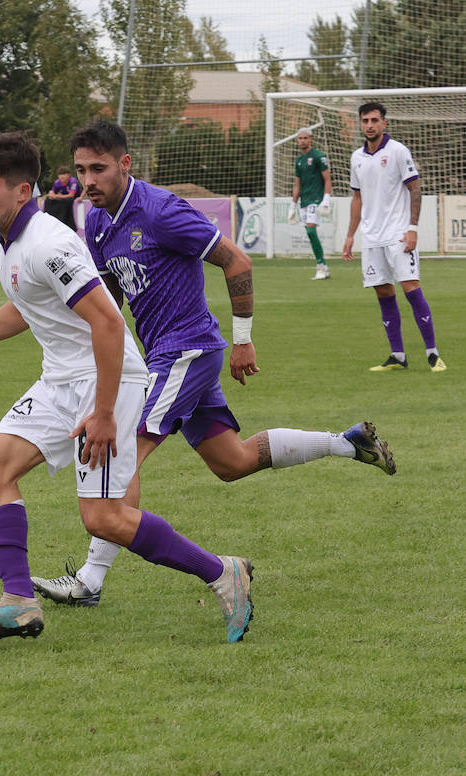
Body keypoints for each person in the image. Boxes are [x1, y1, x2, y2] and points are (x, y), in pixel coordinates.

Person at [28, 119, 395, 608]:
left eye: (98, 169)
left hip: (187, 348)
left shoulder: (160, 211)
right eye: (80, 171)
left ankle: (90, 583)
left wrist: (242, 341)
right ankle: (346, 443)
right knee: (232, 461)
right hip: (161, 354)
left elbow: (237, 261)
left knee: (122, 448)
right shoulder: (94, 220)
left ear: (124, 164)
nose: (88, 181)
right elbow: (109, 297)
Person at [0, 130, 253, 644]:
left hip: (106, 382)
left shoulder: (50, 243)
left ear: (21, 192)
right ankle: (18, 602)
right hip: (60, 380)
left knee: (105, 518)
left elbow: (109, 324)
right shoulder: (12, 242)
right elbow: (25, 308)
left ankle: (222, 572)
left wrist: (103, 412)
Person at [341, 102, 444, 372]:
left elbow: (415, 189)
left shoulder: (398, 151)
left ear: (384, 123)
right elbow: (357, 198)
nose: (370, 125)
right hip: (372, 238)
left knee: (411, 289)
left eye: (375, 120)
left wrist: (413, 228)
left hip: (398, 234)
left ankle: (433, 354)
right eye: (365, 120)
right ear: (360, 124)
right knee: (384, 293)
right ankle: (398, 356)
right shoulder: (357, 158)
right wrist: (351, 235)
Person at [292, 128, 333, 280]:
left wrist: (326, 199)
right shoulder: (298, 160)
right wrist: (292, 205)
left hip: (316, 200)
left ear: (311, 139)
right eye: (300, 138)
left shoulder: (318, 156)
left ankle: (320, 266)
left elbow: (328, 179)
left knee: (310, 232)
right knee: (310, 234)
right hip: (304, 201)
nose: (302, 140)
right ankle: (324, 267)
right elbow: (297, 184)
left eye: (305, 138)